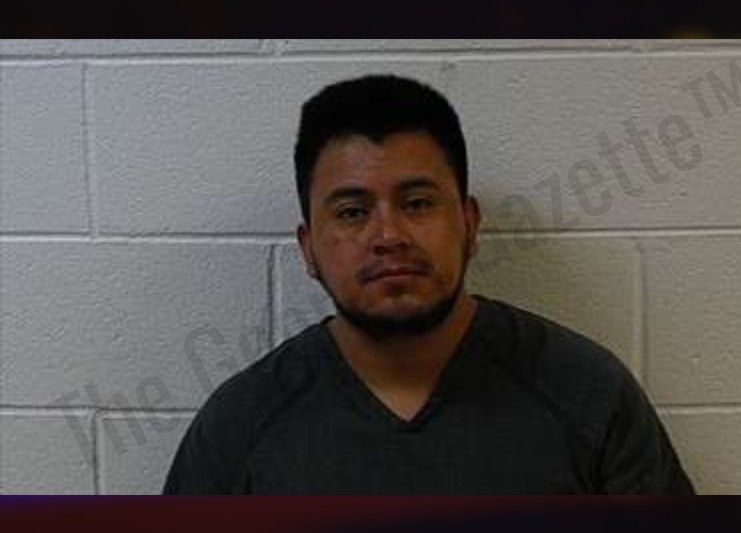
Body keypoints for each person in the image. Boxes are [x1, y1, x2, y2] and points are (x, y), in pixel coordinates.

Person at [163, 74, 694, 494]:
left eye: (417, 204)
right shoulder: (239, 427)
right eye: (352, 212)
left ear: (469, 224)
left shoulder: (588, 396)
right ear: (308, 249)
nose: (388, 236)